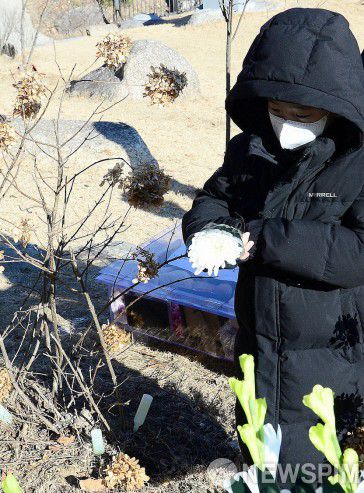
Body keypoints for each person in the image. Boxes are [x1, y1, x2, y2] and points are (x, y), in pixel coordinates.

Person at [182, 8, 364, 473]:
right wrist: (211, 230)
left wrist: (265, 238)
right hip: (260, 340)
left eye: (303, 114)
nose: (287, 124)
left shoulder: (356, 165)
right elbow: (215, 198)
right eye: (276, 111)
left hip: (332, 352)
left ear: (336, 107)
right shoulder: (251, 149)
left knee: (321, 457)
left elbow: (357, 252)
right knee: (261, 439)